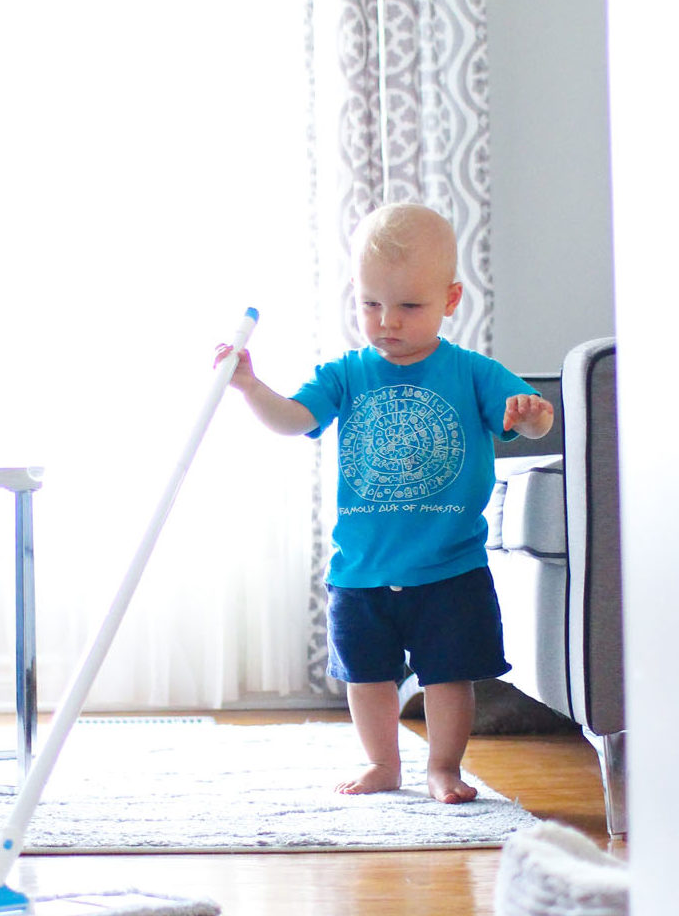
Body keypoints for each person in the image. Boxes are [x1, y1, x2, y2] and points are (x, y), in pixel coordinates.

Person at [216, 203, 553, 804]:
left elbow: (528, 422)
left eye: (408, 306)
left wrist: (529, 418)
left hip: (448, 566)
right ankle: (383, 763)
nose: (387, 321)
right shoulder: (344, 374)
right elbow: (292, 420)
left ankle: (444, 767)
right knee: (366, 677)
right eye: (371, 304)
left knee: (448, 677)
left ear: (450, 301)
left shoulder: (474, 373)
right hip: (362, 569)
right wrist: (249, 387)